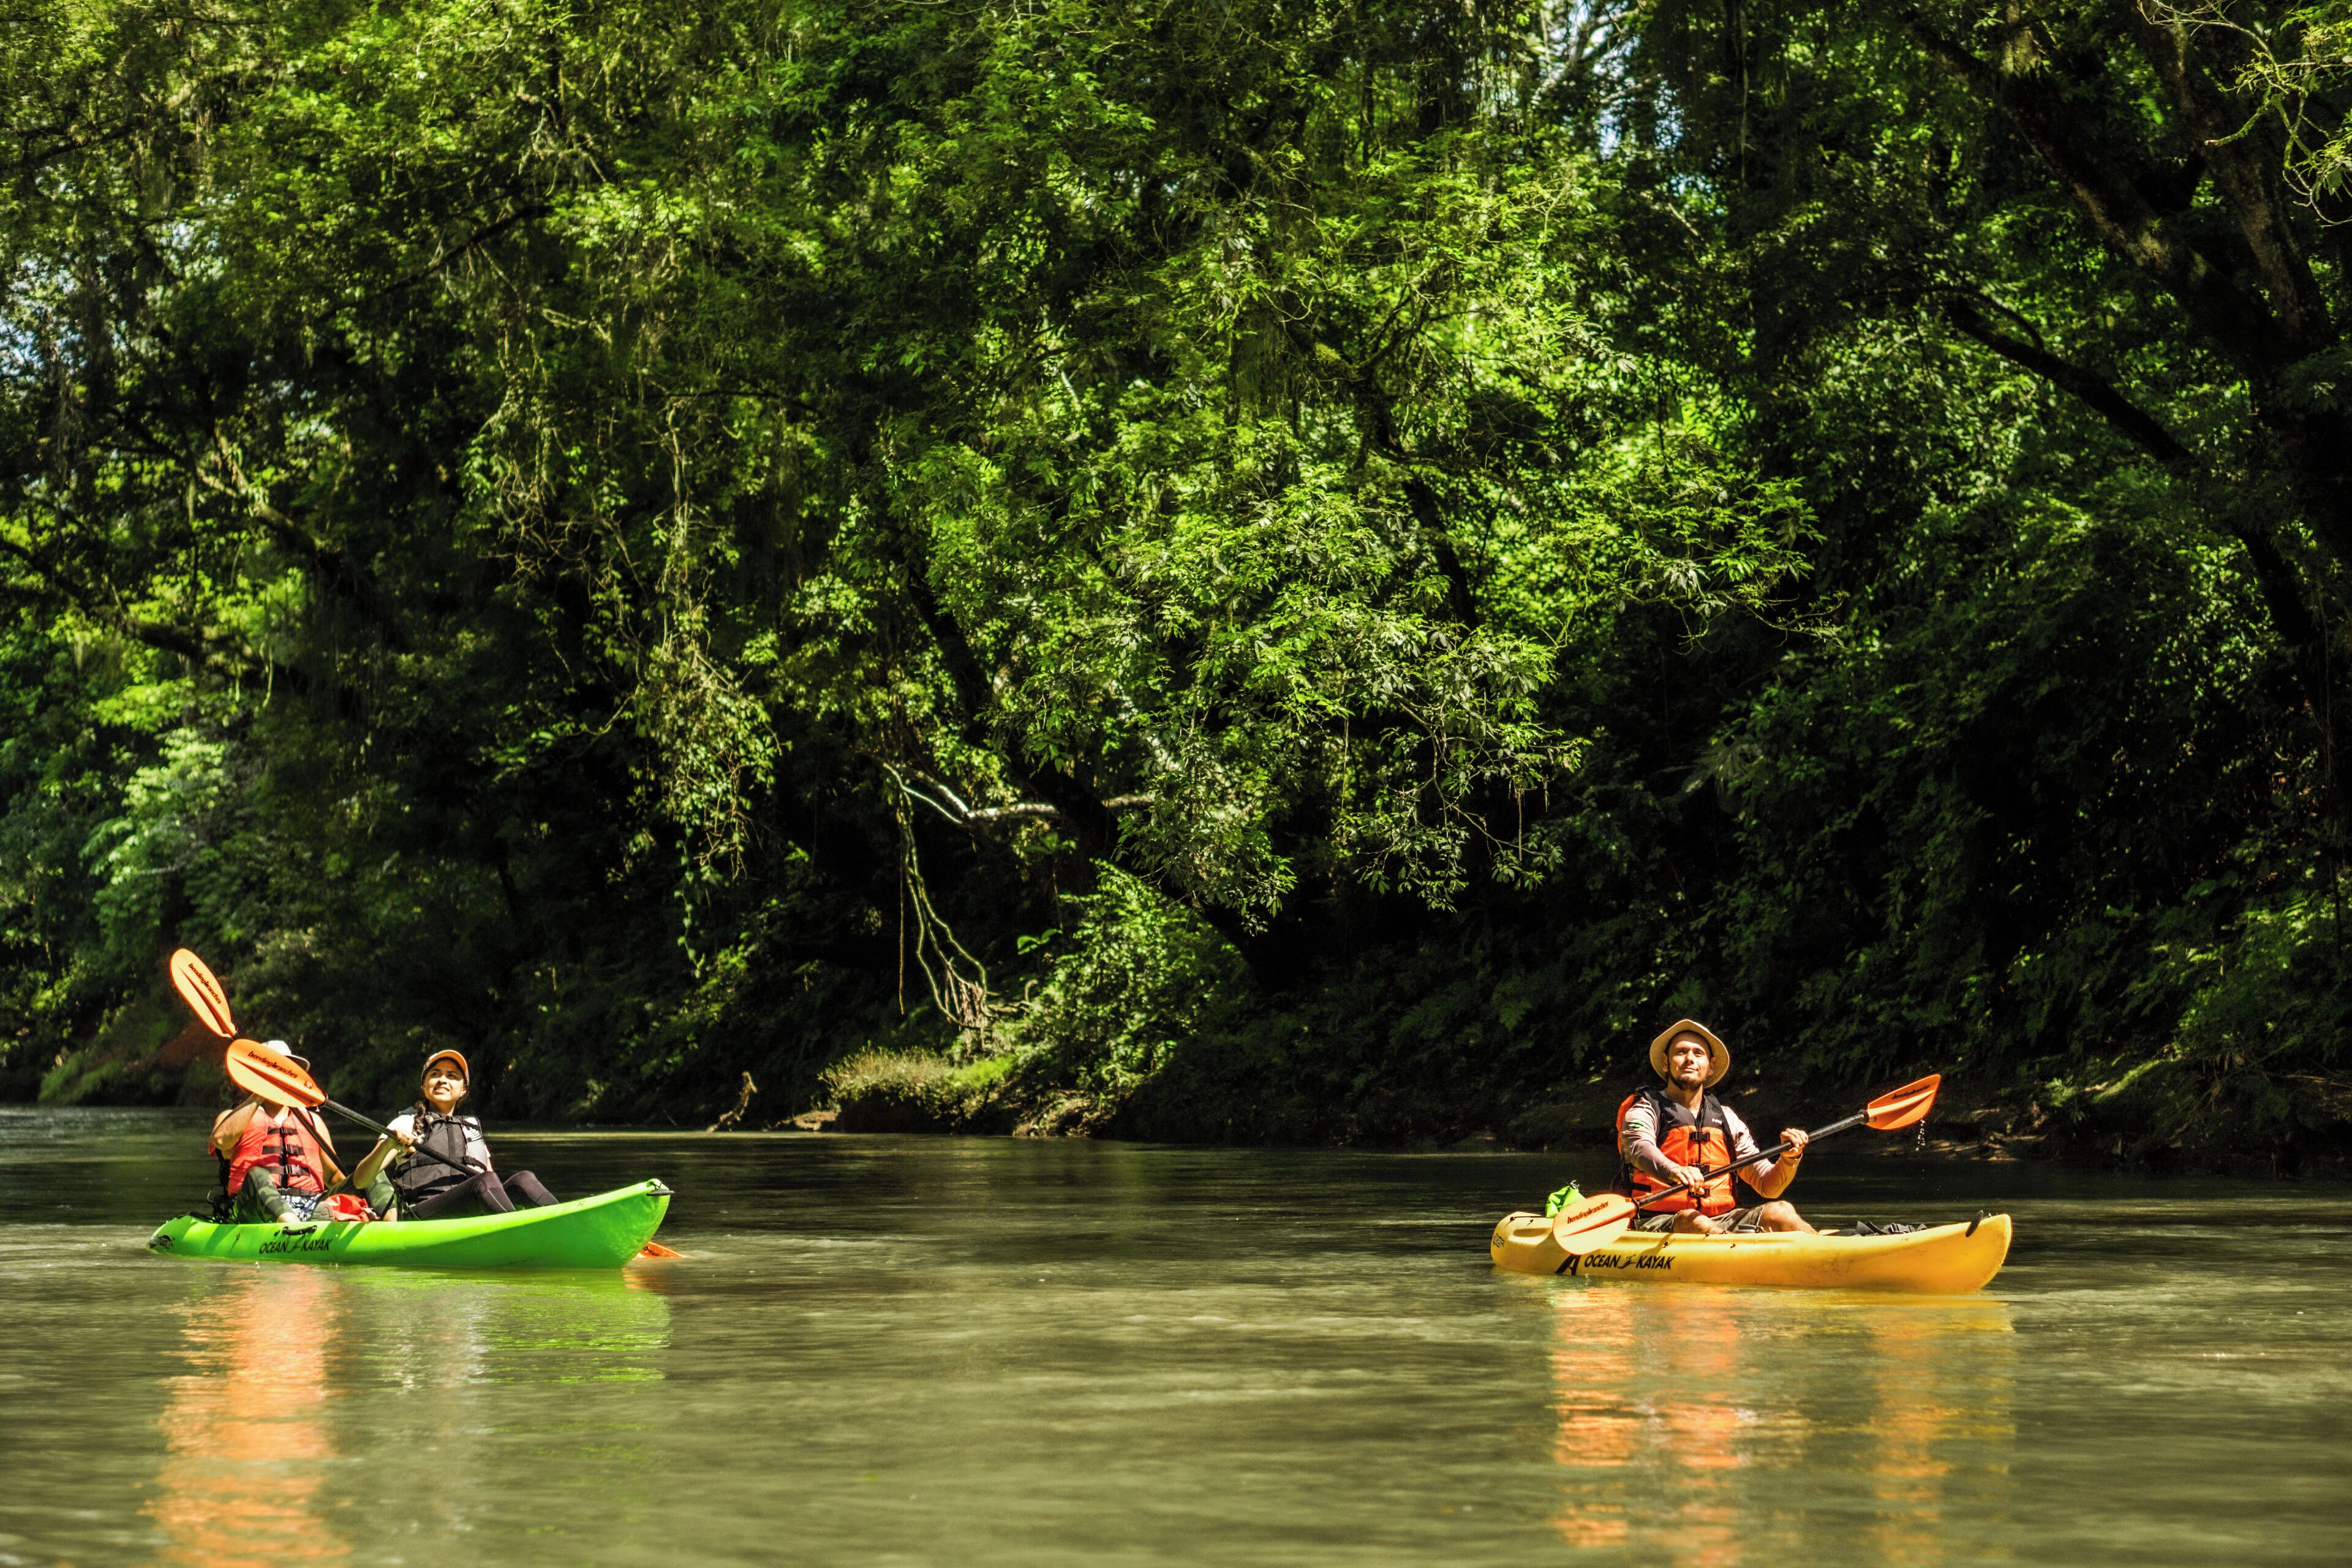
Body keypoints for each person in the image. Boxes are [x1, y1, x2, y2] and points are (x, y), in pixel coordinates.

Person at [1614, 1019, 1814, 1235]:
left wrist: (1789, 1159)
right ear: (1666, 1063)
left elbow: (1768, 1186)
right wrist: (1675, 1170)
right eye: (1681, 1052)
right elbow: (1640, 1148)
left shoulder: (1727, 1118)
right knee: (1695, 1220)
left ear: (1710, 1067)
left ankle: (1825, 1253)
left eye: (1698, 1054)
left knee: (1782, 1211)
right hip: (1657, 1220)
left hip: (1720, 1220)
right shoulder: (1645, 1109)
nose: (1689, 1059)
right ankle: (1734, 1254)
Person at [352, 1050, 560, 1219]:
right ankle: (517, 1232)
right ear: (424, 1087)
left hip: (470, 1204)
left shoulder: (470, 1129)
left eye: (452, 1076)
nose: (443, 1080)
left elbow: (492, 1180)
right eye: (435, 1074)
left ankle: (560, 1221)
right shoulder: (407, 1123)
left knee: (524, 1179)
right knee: (483, 1182)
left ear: (463, 1090)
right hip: (424, 1215)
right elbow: (361, 1181)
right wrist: (387, 1144)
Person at [209, 1044, 347, 1228]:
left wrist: (359, 1191)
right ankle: (296, 1227)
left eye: (286, 1070)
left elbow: (333, 1177)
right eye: (274, 1070)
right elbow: (221, 1141)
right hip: (253, 1208)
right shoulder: (232, 1117)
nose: (281, 1077)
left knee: (370, 1177)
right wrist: (261, 1092)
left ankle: (386, 1226)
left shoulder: (313, 1121)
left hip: (309, 1205)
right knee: (257, 1174)